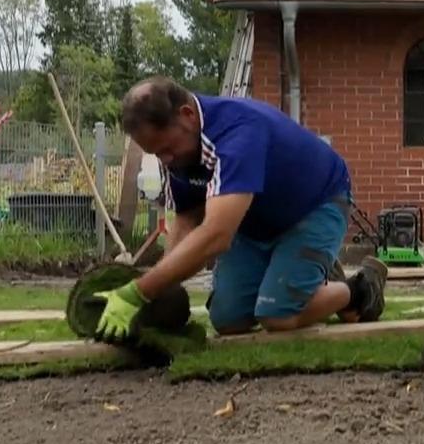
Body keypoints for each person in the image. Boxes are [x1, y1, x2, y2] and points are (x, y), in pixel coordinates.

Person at [94, 77, 387, 339]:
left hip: (314, 207)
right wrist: (165, 290)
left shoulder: (238, 134)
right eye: (157, 154)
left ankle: (358, 291)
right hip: (254, 222)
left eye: (167, 148)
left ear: (187, 115)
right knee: (228, 321)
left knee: (277, 316)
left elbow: (216, 235)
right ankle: (305, 271)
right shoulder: (179, 152)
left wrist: (138, 292)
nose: (166, 160)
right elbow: (186, 219)